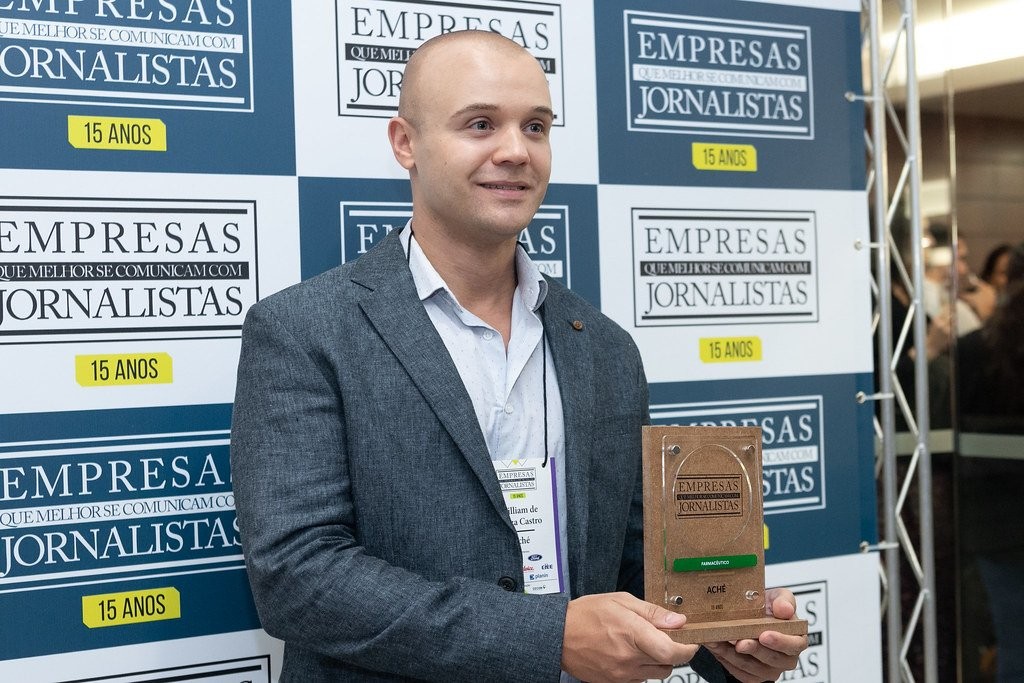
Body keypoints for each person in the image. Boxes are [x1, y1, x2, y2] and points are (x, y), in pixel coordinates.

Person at [230, 30, 807, 682]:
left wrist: (723, 634)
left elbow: (633, 566)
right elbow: (298, 577)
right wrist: (549, 636)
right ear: (405, 143)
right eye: (480, 124)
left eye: (536, 126)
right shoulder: (305, 331)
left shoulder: (605, 348)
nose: (515, 151)